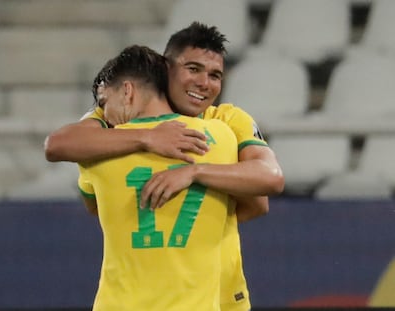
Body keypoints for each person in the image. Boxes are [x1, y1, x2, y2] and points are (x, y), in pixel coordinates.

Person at [45, 22, 284, 311]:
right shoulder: (219, 134)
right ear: (165, 68)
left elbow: (266, 186)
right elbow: (58, 144)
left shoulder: (228, 119)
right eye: (193, 69)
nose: (204, 83)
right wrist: (147, 138)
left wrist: (193, 173)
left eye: (215, 75)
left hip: (221, 292)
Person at [79, 44, 238, 310]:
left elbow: (92, 206)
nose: (104, 115)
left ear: (127, 91)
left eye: (104, 103)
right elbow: (257, 200)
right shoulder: (221, 137)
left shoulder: (95, 153)